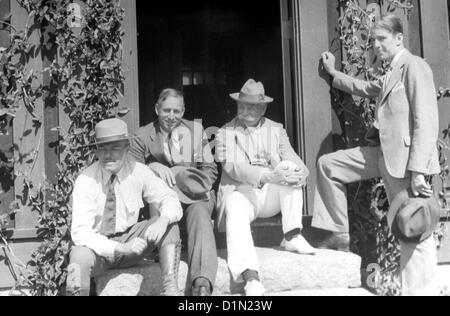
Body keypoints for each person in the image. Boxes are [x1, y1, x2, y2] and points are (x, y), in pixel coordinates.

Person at [315, 14, 440, 295]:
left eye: (382, 39)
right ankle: (338, 233)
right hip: (382, 155)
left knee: (413, 229)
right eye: (373, 41)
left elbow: (427, 120)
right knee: (328, 164)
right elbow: (363, 87)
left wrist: (418, 169)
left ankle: (419, 292)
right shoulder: (389, 75)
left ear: (399, 38)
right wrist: (333, 75)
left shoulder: (414, 67)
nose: (377, 46)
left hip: (407, 164)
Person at [215, 79, 315, 296]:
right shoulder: (224, 133)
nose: (245, 111)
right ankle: (250, 277)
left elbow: (293, 160)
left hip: (270, 196)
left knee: (289, 166)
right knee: (233, 204)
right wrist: (270, 175)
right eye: (242, 105)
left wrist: (300, 174)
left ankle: (292, 235)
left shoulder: (276, 129)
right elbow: (234, 169)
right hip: (243, 193)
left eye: (251, 106)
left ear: (263, 108)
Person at [67, 118, 183, 296]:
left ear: (126, 149)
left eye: (114, 148)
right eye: (102, 149)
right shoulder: (86, 180)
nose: (108, 155)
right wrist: (120, 248)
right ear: (97, 151)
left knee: (169, 224)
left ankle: (170, 289)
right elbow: (80, 233)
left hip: (131, 240)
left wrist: (163, 220)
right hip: (98, 251)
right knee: (78, 257)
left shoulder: (139, 171)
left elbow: (170, 198)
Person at [130, 89, 218, 296]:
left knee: (199, 213)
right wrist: (151, 165)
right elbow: (131, 173)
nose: (171, 116)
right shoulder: (142, 135)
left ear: (184, 111)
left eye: (177, 111)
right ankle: (170, 286)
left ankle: (202, 284)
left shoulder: (196, 130)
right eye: (166, 110)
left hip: (195, 193)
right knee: (165, 215)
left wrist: (197, 185)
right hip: (161, 198)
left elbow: (210, 169)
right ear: (156, 109)